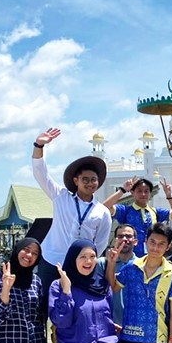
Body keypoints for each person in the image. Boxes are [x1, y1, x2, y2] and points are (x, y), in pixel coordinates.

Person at [31, 127, 112, 305]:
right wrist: (39, 146)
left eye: (94, 180)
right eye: (85, 179)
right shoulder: (61, 197)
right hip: (52, 259)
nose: (90, 183)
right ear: (76, 180)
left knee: (76, 307)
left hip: (81, 267)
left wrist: (87, 261)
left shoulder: (102, 212)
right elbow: (40, 174)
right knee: (43, 305)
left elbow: (100, 244)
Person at [103, 176, 172, 257]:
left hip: (151, 256)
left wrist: (169, 196)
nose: (143, 194)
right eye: (139, 191)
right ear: (132, 192)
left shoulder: (155, 212)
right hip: (130, 257)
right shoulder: (125, 210)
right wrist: (122, 190)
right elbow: (104, 207)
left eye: (146, 191)